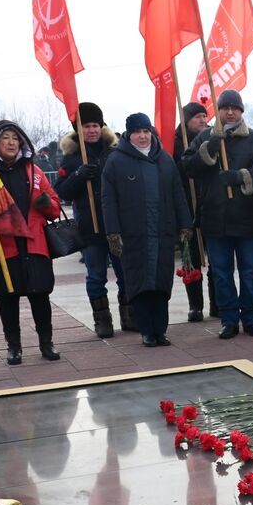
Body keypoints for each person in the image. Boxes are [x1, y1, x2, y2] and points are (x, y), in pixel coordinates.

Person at [0, 120, 63, 366]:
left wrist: (45, 204)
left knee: (40, 295)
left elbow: (54, 208)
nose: (11, 143)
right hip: (2, 247)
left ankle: (46, 342)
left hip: (35, 244)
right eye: (5, 138)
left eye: (15, 138)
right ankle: (14, 346)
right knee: (8, 298)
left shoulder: (34, 171)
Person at [101, 112, 194, 347]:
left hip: (162, 231)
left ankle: (160, 330)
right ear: (128, 134)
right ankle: (146, 331)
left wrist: (185, 224)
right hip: (134, 234)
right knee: (140, 283)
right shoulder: (116, 161)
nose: (143, 136)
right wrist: (113, 232)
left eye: (146, 131)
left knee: (161, 283)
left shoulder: (165, 159)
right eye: (137, 132)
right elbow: (108, 200)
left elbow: (178, 194)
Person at [183, 89, 253, 340]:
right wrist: (209, 148)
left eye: (235, 107)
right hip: (215, 219)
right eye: (225, 107)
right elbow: (188, 167)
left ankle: (251, 318)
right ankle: (229, 319)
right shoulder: (206, 137)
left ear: (241, 111)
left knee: (250, 271)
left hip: (248, 219)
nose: (230, 112)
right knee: (221, 273)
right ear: (217, 111)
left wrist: (241, 176)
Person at [55, 101, 122, 340]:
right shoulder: (72, 157)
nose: (91, 130)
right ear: (78, 130)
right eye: (86, 126)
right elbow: (62, 191)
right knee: (96, 276)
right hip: (90, 228)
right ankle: (102, 321)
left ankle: (130, 315)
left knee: (125, 273)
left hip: (116, 226)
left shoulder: (115, 151)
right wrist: (78, 176)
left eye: (95, 125)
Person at [174, 101, 212, 324]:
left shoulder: (211, 138)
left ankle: (218, 304)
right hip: (186, 209)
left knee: (216, 260)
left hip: (209, 208)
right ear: (186, 119)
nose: (203, 120)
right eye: (197, 116)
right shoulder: (175, 143)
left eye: (204, 116)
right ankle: (195, 305)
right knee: (191, 260)